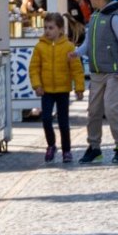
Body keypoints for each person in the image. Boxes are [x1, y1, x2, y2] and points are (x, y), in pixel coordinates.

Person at [71, 0, 118, 164]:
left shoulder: (115, 19)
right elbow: (88, 43)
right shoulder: (95, 18)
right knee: (94, 110)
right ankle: (94, 147)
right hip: (97, 72)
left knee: (111, 107)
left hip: (115, 73)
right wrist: (77, 53)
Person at [29, 12, 85, 164]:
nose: (47, 31)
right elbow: (34, 68)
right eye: (45, 28)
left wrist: (79, 88)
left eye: (51, 28)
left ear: (60, 29)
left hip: (63, 90)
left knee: (63, 122)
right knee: (46, 119)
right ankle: (51, 145)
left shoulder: (68, 46)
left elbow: (76, 69)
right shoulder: (40, 47)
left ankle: (66, 150)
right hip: (46, 90)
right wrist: (37, 85)